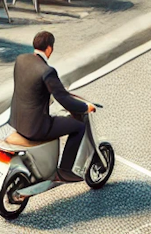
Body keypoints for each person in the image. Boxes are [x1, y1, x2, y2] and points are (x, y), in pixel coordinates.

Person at [11, 31, 96, 184]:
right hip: (36, 128)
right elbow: (64, 100)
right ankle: (64, 170)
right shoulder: (47, 71)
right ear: (49, 49)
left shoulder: (21, 60)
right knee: (79, 126)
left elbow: (29, 86)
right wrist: (85, 107)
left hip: (17, 121)